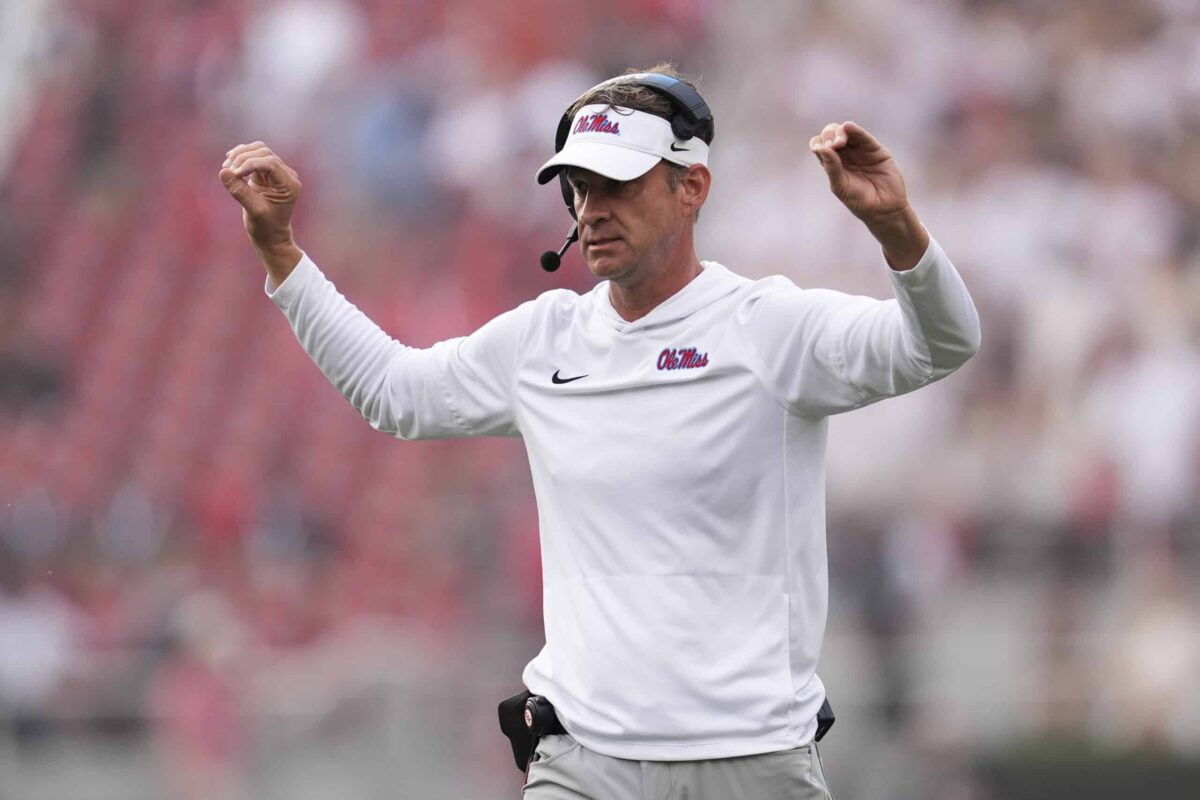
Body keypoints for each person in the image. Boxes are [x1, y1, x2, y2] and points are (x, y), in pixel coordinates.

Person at [218, 65, 981, 799]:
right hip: (584, 763)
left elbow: (942, 343)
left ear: (693, 189)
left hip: (748, 760)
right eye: (579, 187)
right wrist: (284, 255)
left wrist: (898, 232)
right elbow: (395, 393)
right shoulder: (544, 339)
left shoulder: (769, 327)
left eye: (618, 183)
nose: (591, 208)